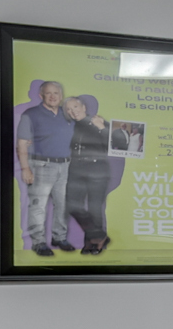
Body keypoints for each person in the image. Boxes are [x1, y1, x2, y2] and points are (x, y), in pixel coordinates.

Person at [16, 80, 75, 256]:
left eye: (56, 93)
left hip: (65, 166)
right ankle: (38, 242)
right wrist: (25, 168)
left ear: (61, 96)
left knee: (63, 205)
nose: (52, 96)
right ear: (41, 95)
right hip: (41, 166)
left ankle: (59, 237)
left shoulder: (68, 114)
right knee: (38, 206)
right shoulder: (30, 114)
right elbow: (22, 143)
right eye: (48, 93)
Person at [64, 95, 116, 254]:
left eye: (75, 107)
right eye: (69, 109)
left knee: (94, 207)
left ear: (84, 107)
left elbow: (116, 145)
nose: (73, 111)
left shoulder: (98, 121)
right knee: (72, 205)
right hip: (76, 168)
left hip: (97, 168)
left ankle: (92, 243)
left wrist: (101, 128)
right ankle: (99, 236)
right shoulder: (70, 126)